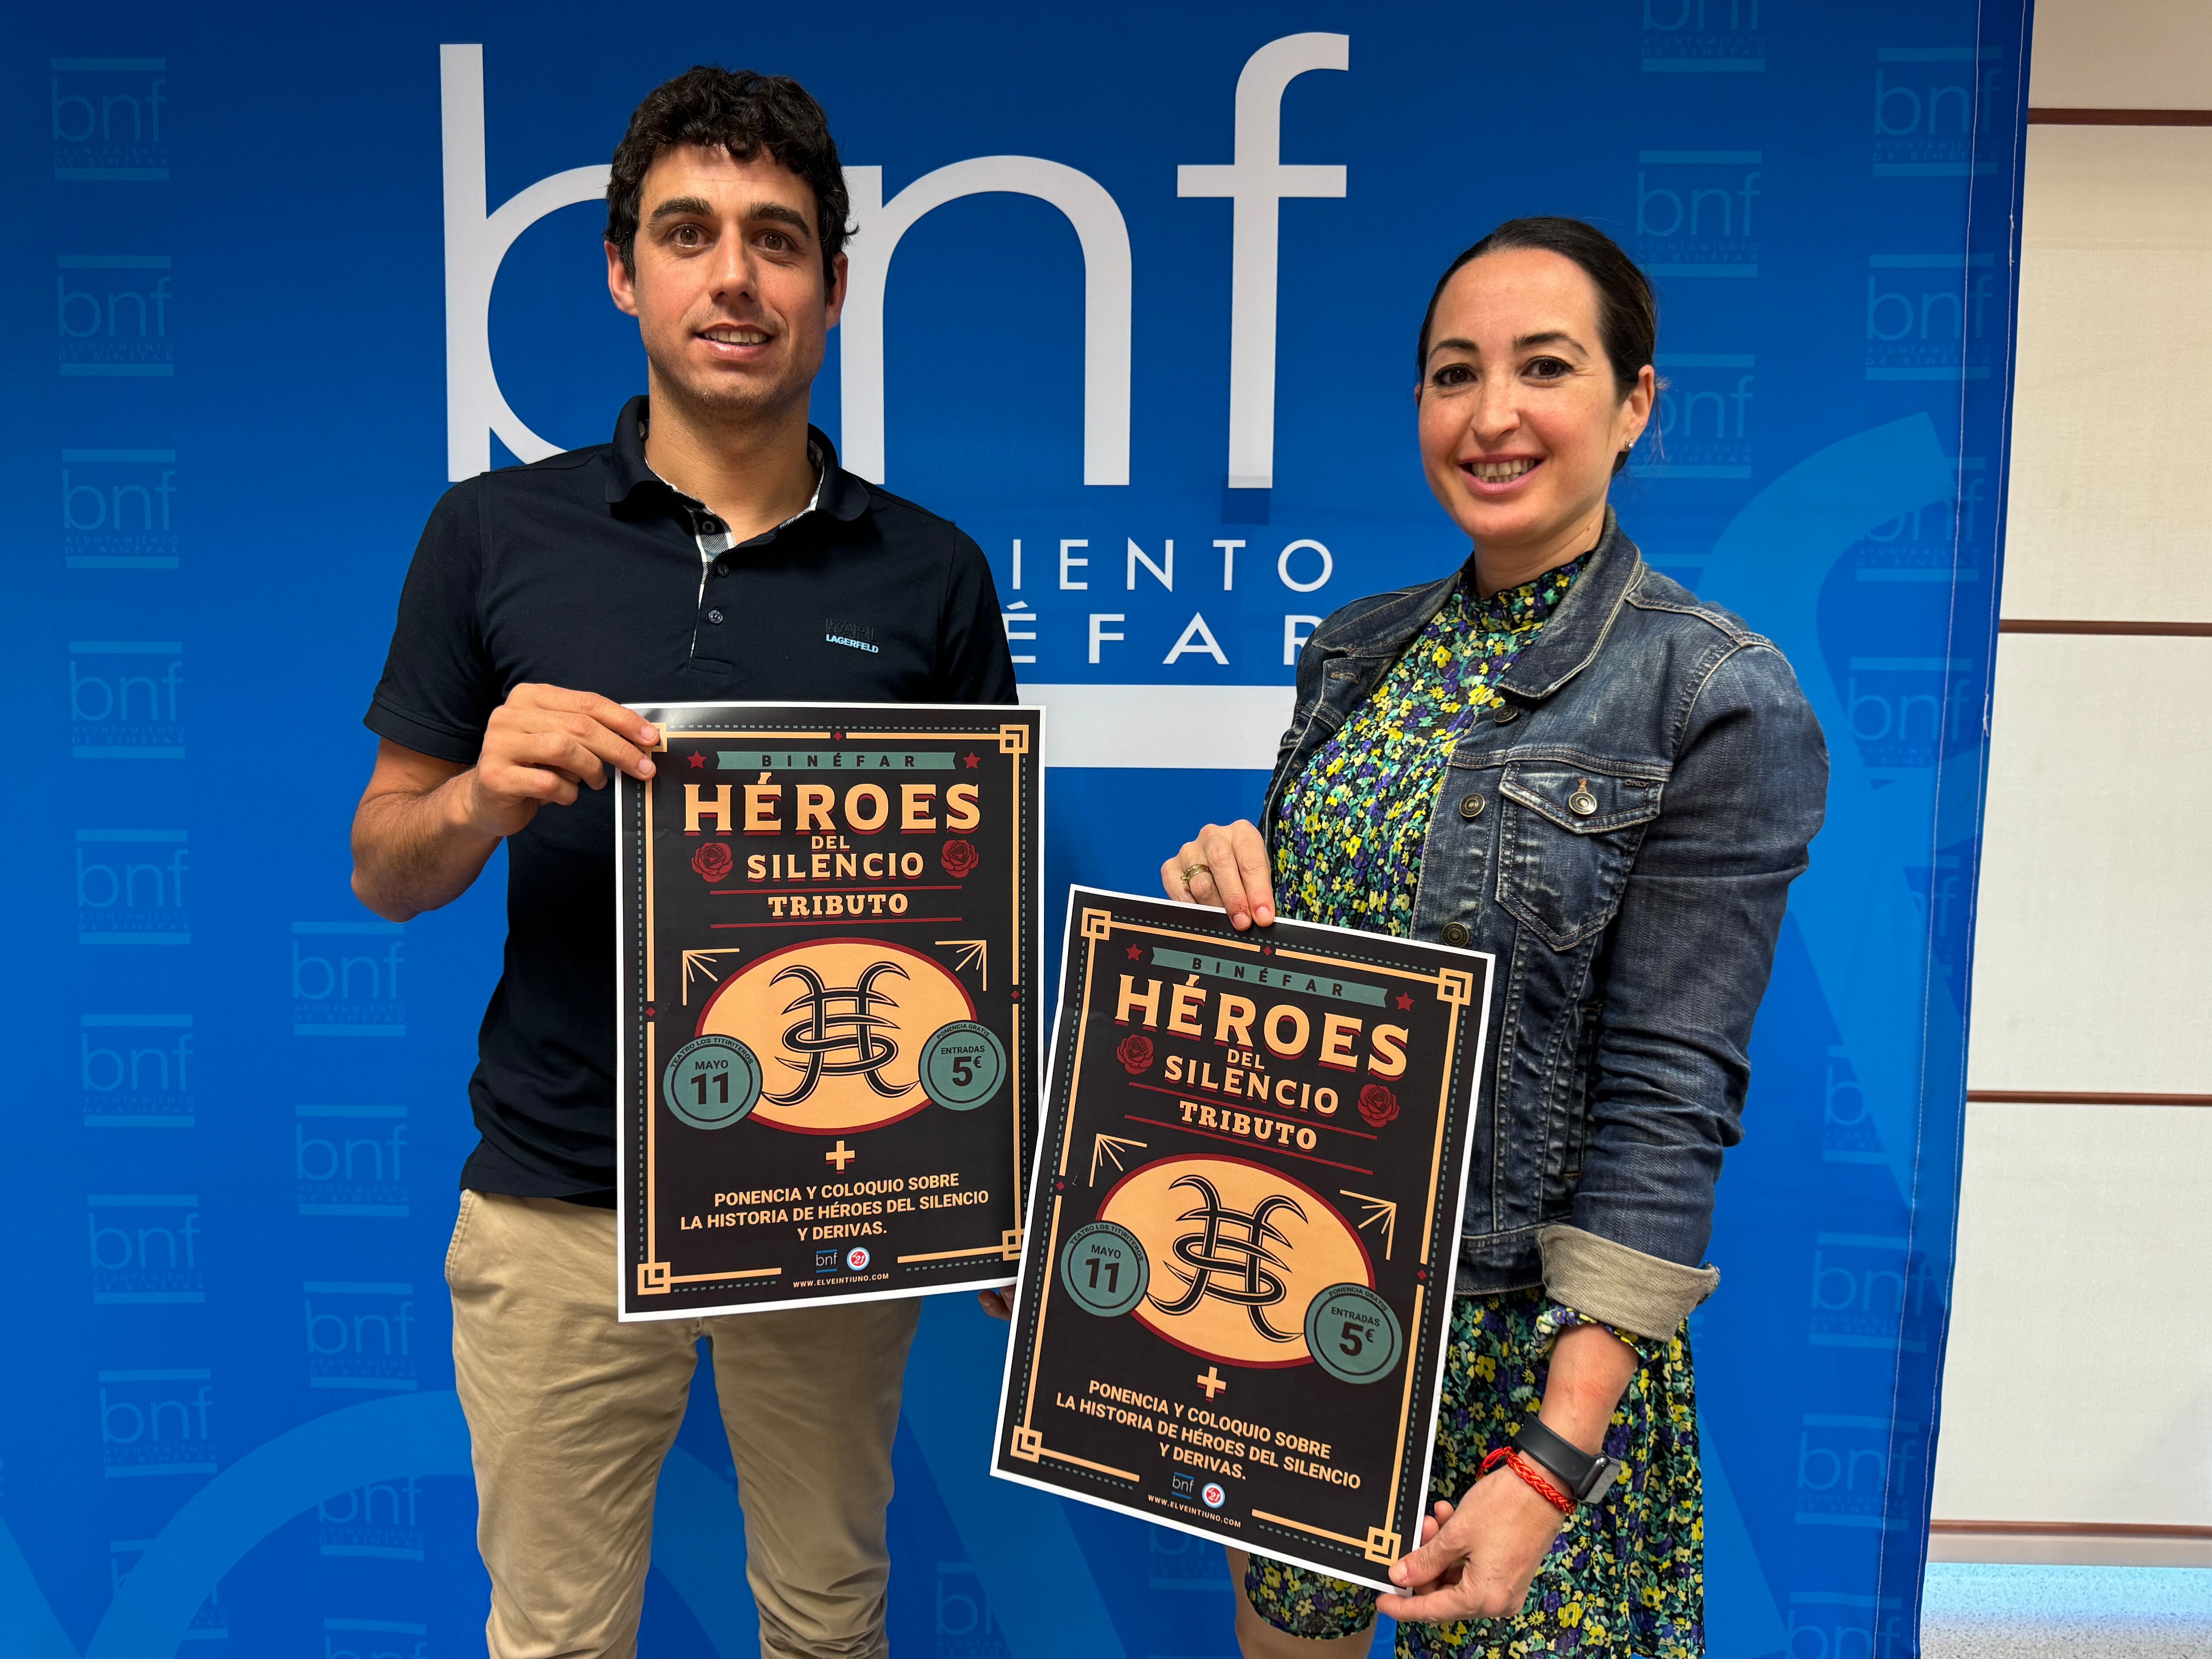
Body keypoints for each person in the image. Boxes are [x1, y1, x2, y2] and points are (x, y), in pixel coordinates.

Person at [349, 67, 1015, 1659]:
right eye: (691, 233)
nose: (736, 278)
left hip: (840, 1194)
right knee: (559, 1636)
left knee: (828, 1622)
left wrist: (996, 1194)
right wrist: (483, 798)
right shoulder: (490, 535)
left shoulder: (931, 574)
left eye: (779, 241)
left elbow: (970, 937)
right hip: (563, 1198)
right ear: (621, 268)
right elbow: (387, 862)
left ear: (835, 286)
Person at [1161, 218, 1827, 1657]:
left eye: (1546, 367)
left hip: (1534, 1367)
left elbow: (1668, 1104)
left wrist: (1551, 1463)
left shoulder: (1713, 696)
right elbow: (1328, 981)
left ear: (1635, 401)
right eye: (1454, 375)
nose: (1493, 414)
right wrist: (1236, 912)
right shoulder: (1355, 652)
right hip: (1303, 1312)